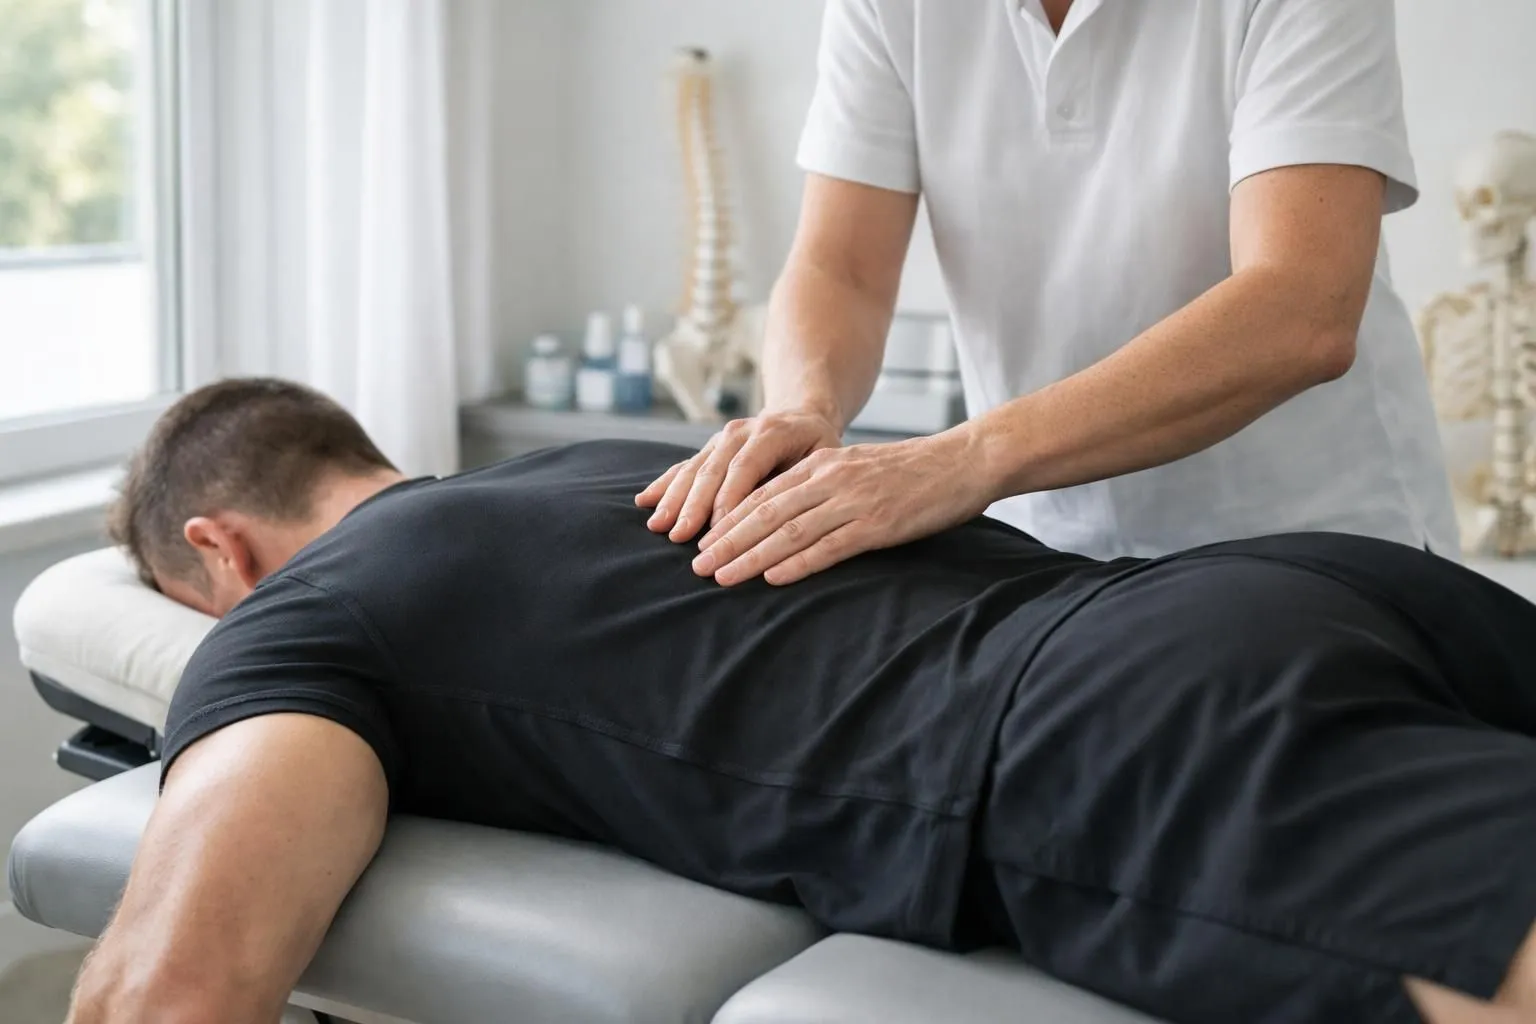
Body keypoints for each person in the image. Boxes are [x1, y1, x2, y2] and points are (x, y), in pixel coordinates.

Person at [70, 379, 1536, 1024]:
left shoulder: (298, 620)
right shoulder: (614, 462)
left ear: (221, 553)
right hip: (1295, 588)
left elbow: (171, 994)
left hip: (1109, 733)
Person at [636, 0, 1460, 589]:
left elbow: (1301, 308)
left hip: (1315, 546)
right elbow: (840, 266)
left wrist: (964, 459)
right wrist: (803, 408)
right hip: (1040, 558)